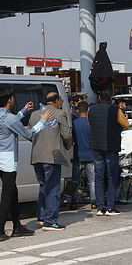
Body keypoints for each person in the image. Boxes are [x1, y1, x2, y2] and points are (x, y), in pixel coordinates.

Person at [0, 88, 51, 241]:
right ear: (9, 100)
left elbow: (10, 124)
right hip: (8, 161)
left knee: (12, 192)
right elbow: (28, 134)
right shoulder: (10, 119)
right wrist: (43, 121)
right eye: (14, 98)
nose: (15, 101)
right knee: (7, 195)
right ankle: (1, 230)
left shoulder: (5, 117)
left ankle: (17, 226)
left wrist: (22, 112)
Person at [29, 92, 72, 231]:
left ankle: (41, 217)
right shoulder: (60, 114)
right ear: (58, 100)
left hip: (37, 156)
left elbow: (30, 134)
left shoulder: (35, 114)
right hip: (52, 156)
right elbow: (66, 135)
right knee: (53, 188)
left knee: (43, 187)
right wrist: (66, 146)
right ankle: (51, 221)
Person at [89, 91, 129, 216]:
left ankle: (100, 207)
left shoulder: (92, 109)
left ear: (100, 98)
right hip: (111, 147)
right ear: (111, 98)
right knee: (112, 177)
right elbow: (126, 124)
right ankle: (110, 207)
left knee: (99, 177)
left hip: (96, 147)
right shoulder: (115, 110)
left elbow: (91, 124)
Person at [72, 101, 96, 209]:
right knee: (92, 180)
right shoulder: (92, 123)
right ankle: (94, 201)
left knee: (75, 180)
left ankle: (74, 201)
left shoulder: (74, 123)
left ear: (78, 111)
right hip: (91, 155)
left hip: (78, 155)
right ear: (88, 110)